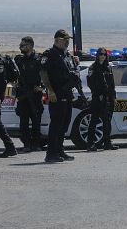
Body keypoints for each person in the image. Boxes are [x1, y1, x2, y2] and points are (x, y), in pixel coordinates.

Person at [41, 29, 80, 163]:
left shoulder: (66, 54)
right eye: (65, 40)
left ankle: (59, 150)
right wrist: (50, 91)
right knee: (56, 124)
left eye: (68, 40)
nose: (67, 42)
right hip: (56, 94)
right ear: (57, 40)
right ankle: (51, 153)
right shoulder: (50, 54)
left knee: (64, 123)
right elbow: (43, 73)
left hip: (67, 93)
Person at [14, 36, 44, 152]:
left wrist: (41, 87)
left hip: (35, 95)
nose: (21, 47)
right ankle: (26, 144)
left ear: (30, 46)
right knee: (23, 122)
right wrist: (14, 83)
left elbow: (47, 74)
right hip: (23, 96)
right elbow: (11, 74)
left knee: (36, 121)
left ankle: (36, 144)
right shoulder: (18, 60)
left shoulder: (39, 59)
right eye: (20, 45)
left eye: (23, 45)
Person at [86, 47, 118, 151]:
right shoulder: (93, 67)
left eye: (104, 54)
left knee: (107, 121)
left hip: (107, 98)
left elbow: (112, 84)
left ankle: (107, 143)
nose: (102, 56)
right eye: (100, 54)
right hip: (97, 98)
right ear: (97, 55)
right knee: (94, 121)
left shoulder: (108, 67)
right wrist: (98, 94)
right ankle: (90, 143)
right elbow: (90, 84)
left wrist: (113, 97)